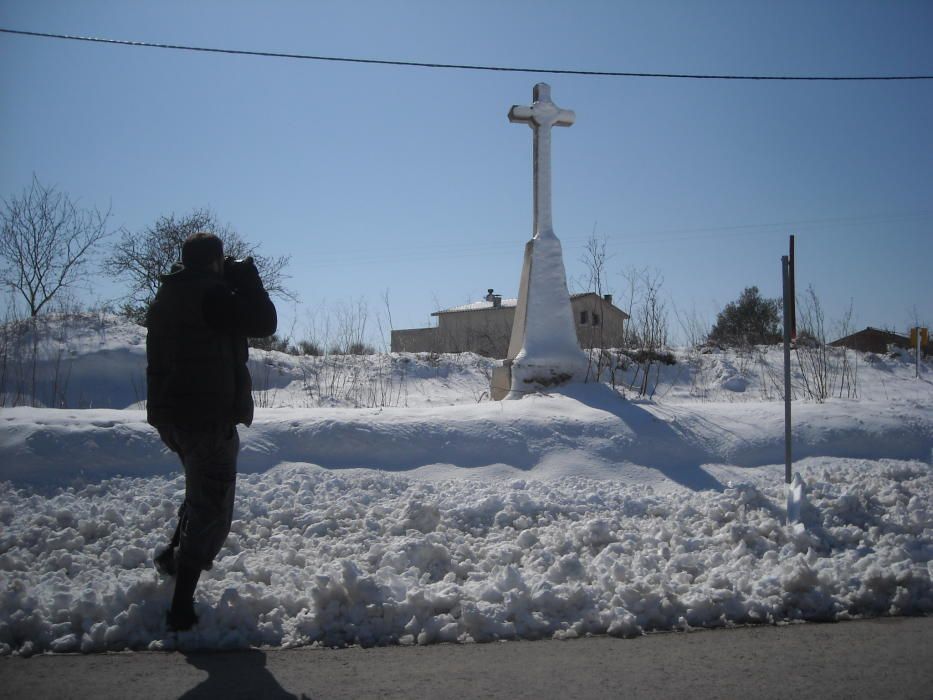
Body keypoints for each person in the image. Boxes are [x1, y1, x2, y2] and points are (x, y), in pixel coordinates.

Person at [145, 232, 277, 631]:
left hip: (174, 416)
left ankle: (171, 556)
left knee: (199, 490)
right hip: (206, 416)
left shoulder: (171, 293)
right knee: (211, 506)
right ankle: (181, 607)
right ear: (216, 262)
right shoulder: (211, 296)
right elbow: (265, 322)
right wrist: (249, 280)